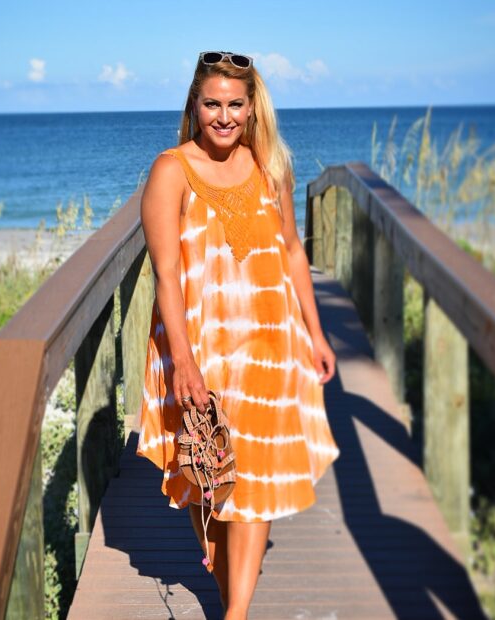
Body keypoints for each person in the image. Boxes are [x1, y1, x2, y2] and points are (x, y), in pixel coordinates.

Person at [136, 51, 340, 619]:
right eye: (212, 104)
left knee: (257, 483)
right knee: (212, 484)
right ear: (194, 105)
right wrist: (183, 360)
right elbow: (167, 274)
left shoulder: (272, 166)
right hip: (199, 347)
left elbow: (294, 253)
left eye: (235, 104)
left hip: (270, 347)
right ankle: (233, 601)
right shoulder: (170, 170)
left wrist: (317, 334)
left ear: (252, 107)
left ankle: (236, 615)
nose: (223, 116)